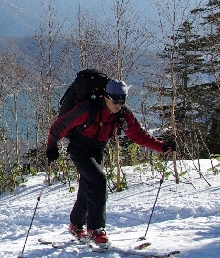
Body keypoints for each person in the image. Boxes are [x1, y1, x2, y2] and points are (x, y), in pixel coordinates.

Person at [45, 79, 176, 248]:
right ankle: (96, 229)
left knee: (89, 186)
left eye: (122, 102)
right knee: (99, 179)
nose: (118, 106)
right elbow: (58, 126)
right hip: (80, 150)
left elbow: (138, 135)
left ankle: (76, 226)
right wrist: (51, 148)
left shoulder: (122, 113)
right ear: (105, 96)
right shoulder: (87, 109)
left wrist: (162, 147)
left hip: (98, 151)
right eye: (115, 102)